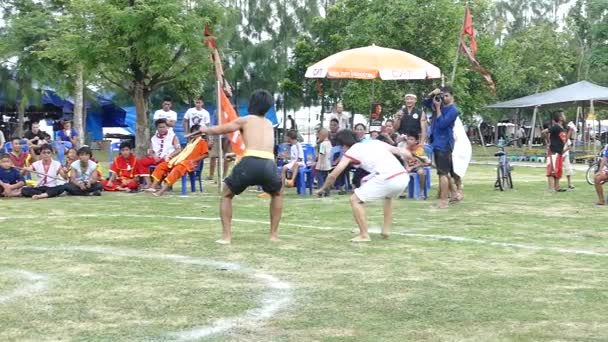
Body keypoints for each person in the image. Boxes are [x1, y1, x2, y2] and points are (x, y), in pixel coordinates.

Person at [198, 89, 283, 244]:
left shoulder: (245, 120)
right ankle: (273, 235)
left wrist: (206, 130)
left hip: (250, 161)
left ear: (252, 103)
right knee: (276, 194)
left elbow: (223, 129)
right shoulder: (270, 124)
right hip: (269, 164)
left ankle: (227, 237)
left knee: (226, 195)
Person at [316, 130, 412, 242]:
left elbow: (333, 175)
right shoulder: (375, 142)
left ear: (345, 144)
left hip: (387, 177)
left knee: (355, 199)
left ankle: (364, 235)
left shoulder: (352, 151)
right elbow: (400, 151)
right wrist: (415, 157)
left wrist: (322, 189)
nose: (342, 150)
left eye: (341, 147)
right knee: (388, 196)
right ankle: (386, 230)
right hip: (403, 177)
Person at [422, 86, 460, 209]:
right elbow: (425, 102)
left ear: (452, 96)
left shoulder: (453, 110)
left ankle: (443, 201)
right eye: (442, 96)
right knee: (444, 171)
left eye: (446, 96)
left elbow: (443, 124)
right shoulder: (440, 105)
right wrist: (432, 94)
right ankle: (454, 194)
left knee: (442, 174)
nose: (443, 98)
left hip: (444, 143)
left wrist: (438, 108)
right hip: (436, 142)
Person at [145, 125, 209, 196]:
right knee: (162, 166)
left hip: (189, 163)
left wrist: (193, 160)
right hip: (179, 161)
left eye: (195, 133)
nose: (193, 134)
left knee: (176, 170)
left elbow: (206, 154)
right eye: (193, 132)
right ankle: (153, 187)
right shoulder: (191, 142)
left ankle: (161, 191)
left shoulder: (202, 142)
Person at [139, 119, 181, 184]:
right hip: (155, 158)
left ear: (167, 127)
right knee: (141, 162)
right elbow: (151, 150)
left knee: (162, 164)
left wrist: (170, 155)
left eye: (164, 127)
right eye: (160, 127)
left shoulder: (173, 136)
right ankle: (149, 183)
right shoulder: (153, 138)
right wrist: (153, 155)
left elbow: (178, 150)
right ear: (157, 128)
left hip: (167, 159)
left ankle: (159, 183)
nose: (162, 129)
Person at [542, 111, 567, 193]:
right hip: (554, 151)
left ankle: (557, 187)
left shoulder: (561, 128)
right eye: (563, 115)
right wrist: (549, 141)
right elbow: (544, 132)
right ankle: (551, 188)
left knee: (558, 170)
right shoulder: (556, 127)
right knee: (552, 170)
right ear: (560, 118)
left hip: (559, 152)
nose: (565, 116)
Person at [315, 128, 332, 197]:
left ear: (321, 135)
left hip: (322, 165)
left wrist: (318, 162)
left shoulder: (323, 144)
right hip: (328, 164)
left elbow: (321, 154)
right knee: (326, 179)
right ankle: (327, 192)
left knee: (320, 179)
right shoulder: (329, 143)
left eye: (318, 136)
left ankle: (320, 191)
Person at [563, 121, 576, 190]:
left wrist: (564, 151)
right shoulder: (561, 136)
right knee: (556, 171)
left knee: (568, 169)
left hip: (565, 155)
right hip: (559, 155)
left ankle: (569, 184)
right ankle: (555, 185)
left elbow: (568, 145)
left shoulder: (566, 138)